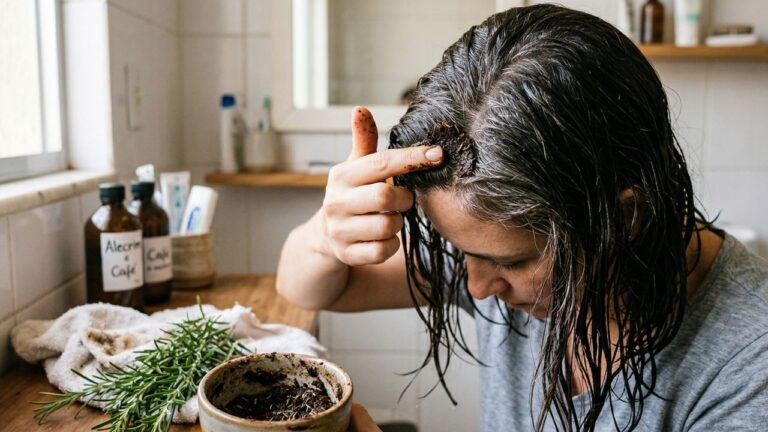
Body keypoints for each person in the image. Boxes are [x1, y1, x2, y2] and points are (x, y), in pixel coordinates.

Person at [277, 4, 768, 431]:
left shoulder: (749, 364)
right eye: (463, 252)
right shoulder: (491, 250)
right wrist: (326, 235)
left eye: (510, 262)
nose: (474, 286)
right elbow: (310, 289)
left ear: (625, 217)